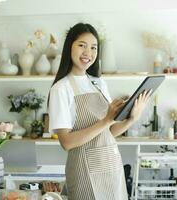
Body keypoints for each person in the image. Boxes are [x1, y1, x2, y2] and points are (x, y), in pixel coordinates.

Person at [48, 22, 151, 200]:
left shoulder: (99, 83)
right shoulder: (61, 88)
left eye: (94, 47)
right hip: (84, 172)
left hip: (111, 168)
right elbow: (67, 142)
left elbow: (109, 132)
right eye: (82, 45)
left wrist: (132, 119)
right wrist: (106, 120)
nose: (88, 52)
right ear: (69, 47)